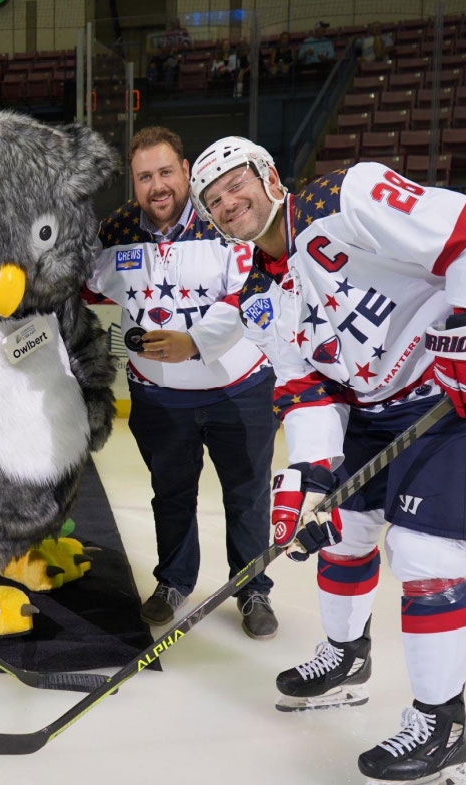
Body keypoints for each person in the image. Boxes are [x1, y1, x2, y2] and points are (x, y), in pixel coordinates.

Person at [189, 136, 466, 785]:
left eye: (237, 183)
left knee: (425, 556)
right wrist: (307, 477)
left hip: (452, 389)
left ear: (268, 176)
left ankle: (443, 724)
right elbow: (309, 390)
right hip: (372, 407)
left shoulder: (350, 197)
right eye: (214, 200)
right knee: (344, 532)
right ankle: (347, 658)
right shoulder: (262, 296)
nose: (229, 202)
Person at [87, 126, 278, 637]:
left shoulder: (223, 216)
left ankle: (253, 588)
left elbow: (250, 293)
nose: (157, 186)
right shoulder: (118, 230)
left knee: (246, 496)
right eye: (145, 177)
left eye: (166, 172)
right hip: (159, 399)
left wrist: (194, 341)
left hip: (239, 390)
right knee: (170, 494)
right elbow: (75, 279)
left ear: (186, 171)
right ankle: (173, 581)